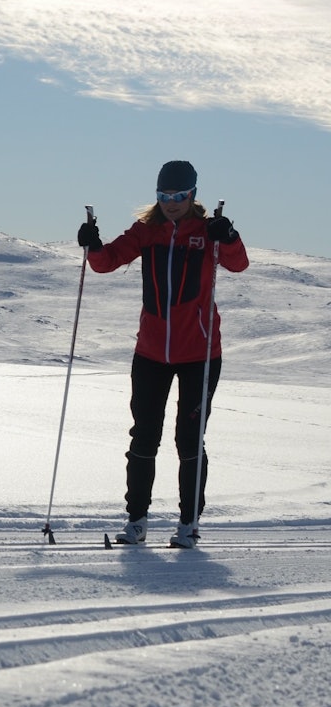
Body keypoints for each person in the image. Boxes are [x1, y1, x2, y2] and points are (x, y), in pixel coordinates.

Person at [78, 160, 249, 548]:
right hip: (151, 352)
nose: (171, 203)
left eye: (178, 196)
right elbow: (107, 263)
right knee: (144, 435)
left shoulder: (208, 232)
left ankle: (188, 523)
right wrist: (93, 244)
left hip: (200, 354)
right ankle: (136, 521)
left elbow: (238, 264)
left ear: (192, 195)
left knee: (189, 440)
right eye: (164, 196)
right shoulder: (146, 232)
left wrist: (230, 235)